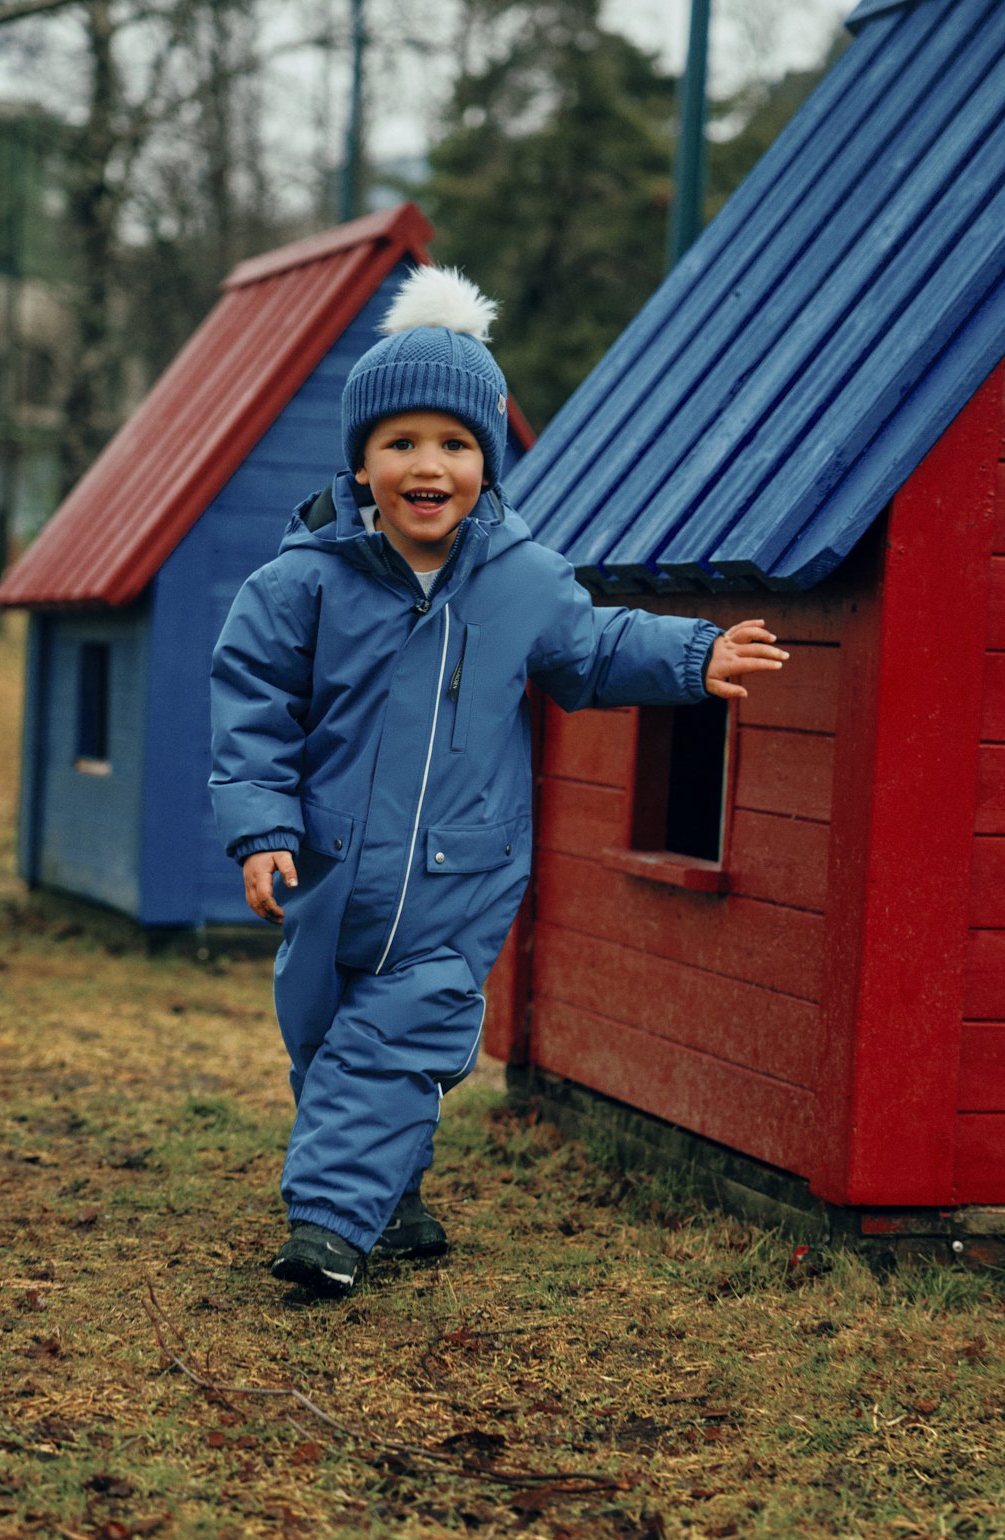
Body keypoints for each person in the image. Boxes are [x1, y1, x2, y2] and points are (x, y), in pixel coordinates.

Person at [209, 265, 787, 1297]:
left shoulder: (522, 577)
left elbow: (594, 648)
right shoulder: (301, 583)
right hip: (332, 870)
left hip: (457, 878)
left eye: (456, 444)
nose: (429, 466)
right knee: (328, 1040)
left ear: (488, 460)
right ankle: (394, 1195)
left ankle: (332, 1228)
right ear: (362, 464)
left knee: (402, 1029)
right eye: (401, 444)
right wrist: (261, 830)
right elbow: (252, 707)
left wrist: (694, 657)